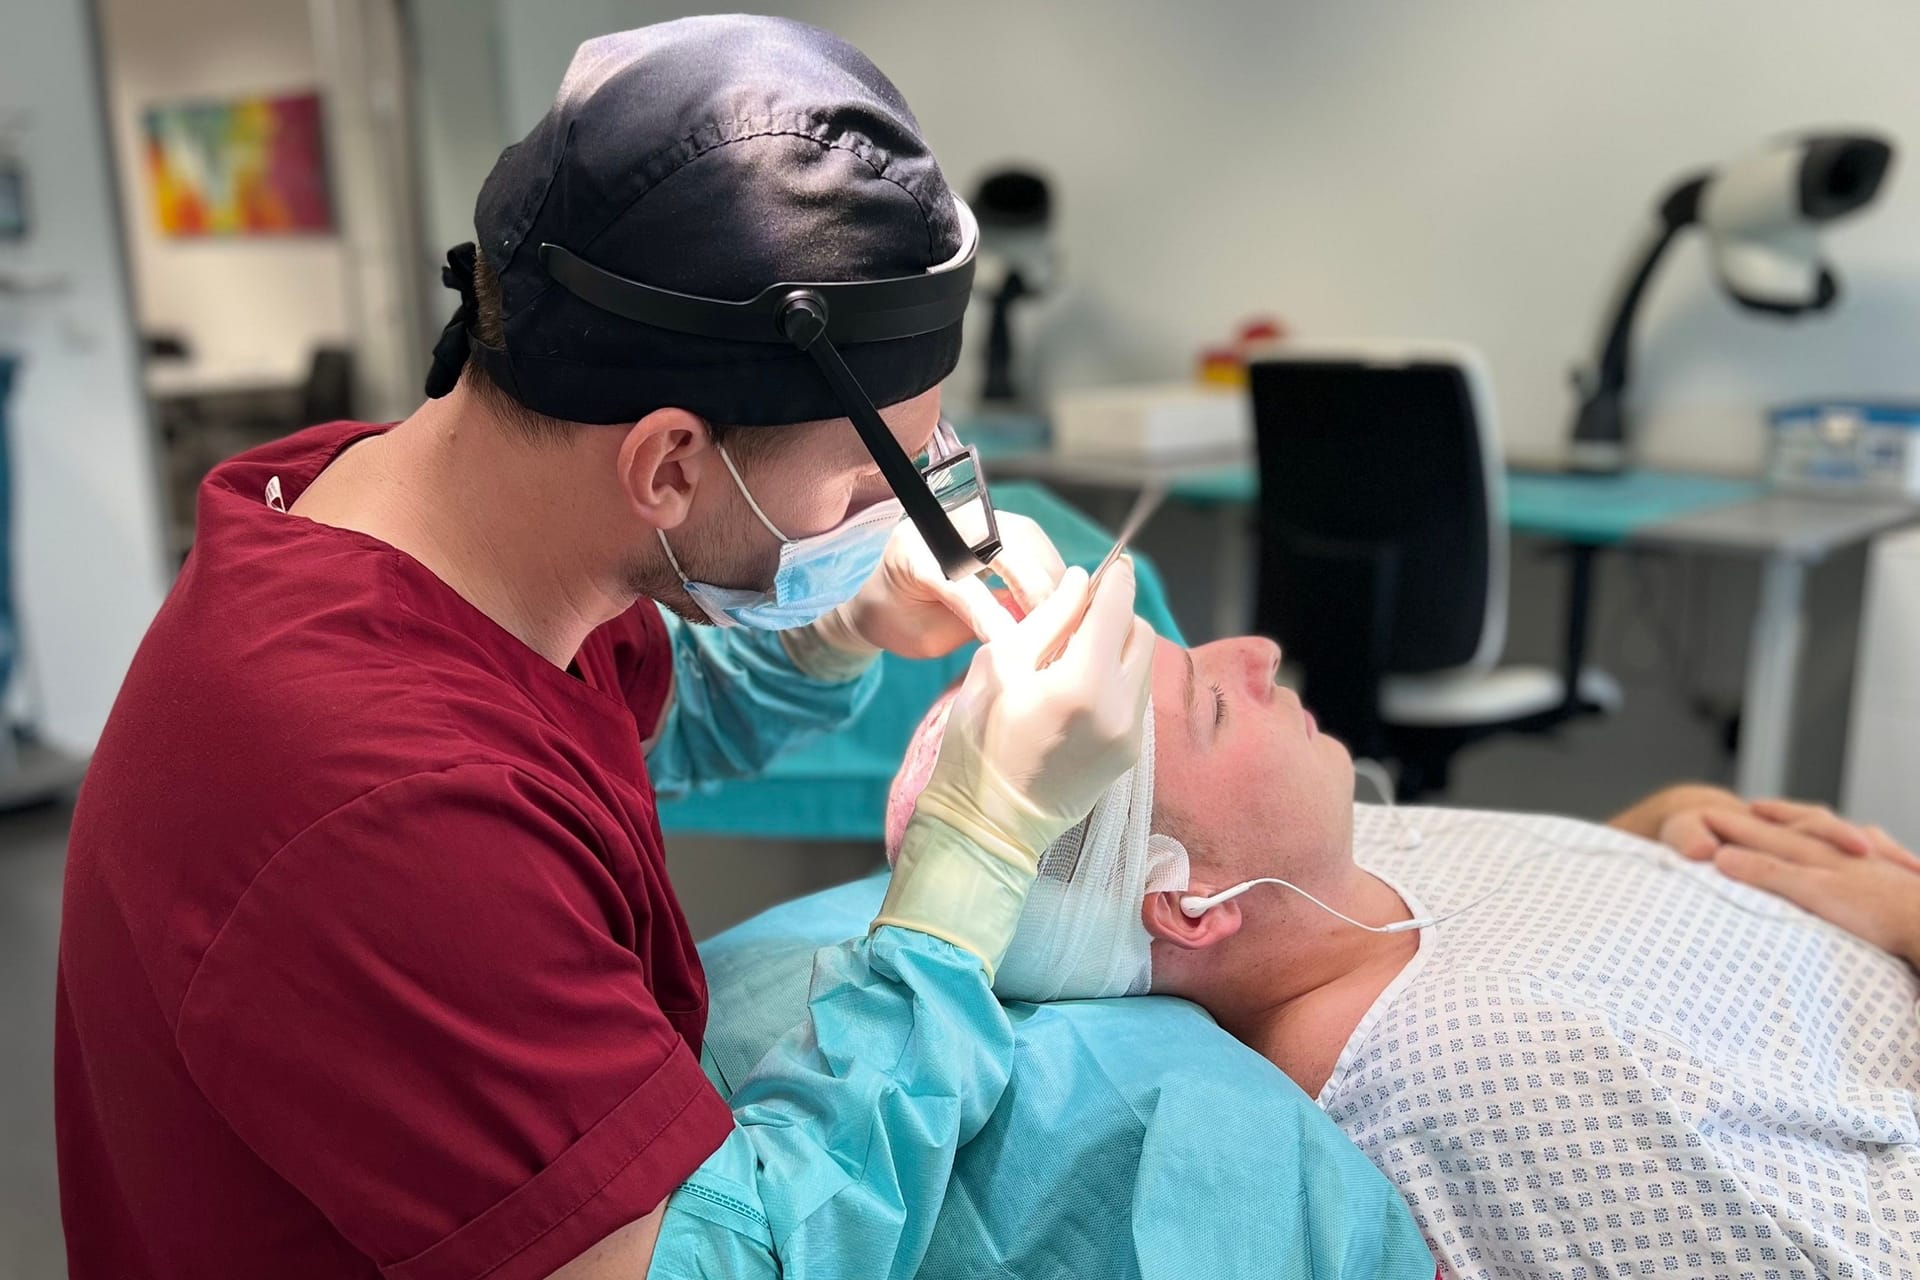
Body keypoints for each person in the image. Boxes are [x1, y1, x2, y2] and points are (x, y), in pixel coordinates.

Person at [56, 17, 1157, 1280]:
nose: (897, 512)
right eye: (870, 487)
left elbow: (614, 719)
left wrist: (842, 621)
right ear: (669, 464)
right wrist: (979, 849)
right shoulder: (380, 807)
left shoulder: (439, 519)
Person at [887, 633, 1920, 1280]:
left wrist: (1665, 834)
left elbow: (1548, 911)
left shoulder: (1327, 878)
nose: (1259, 651)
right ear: (1192, 905)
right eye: (1211, 702)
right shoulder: (1472, 1068)